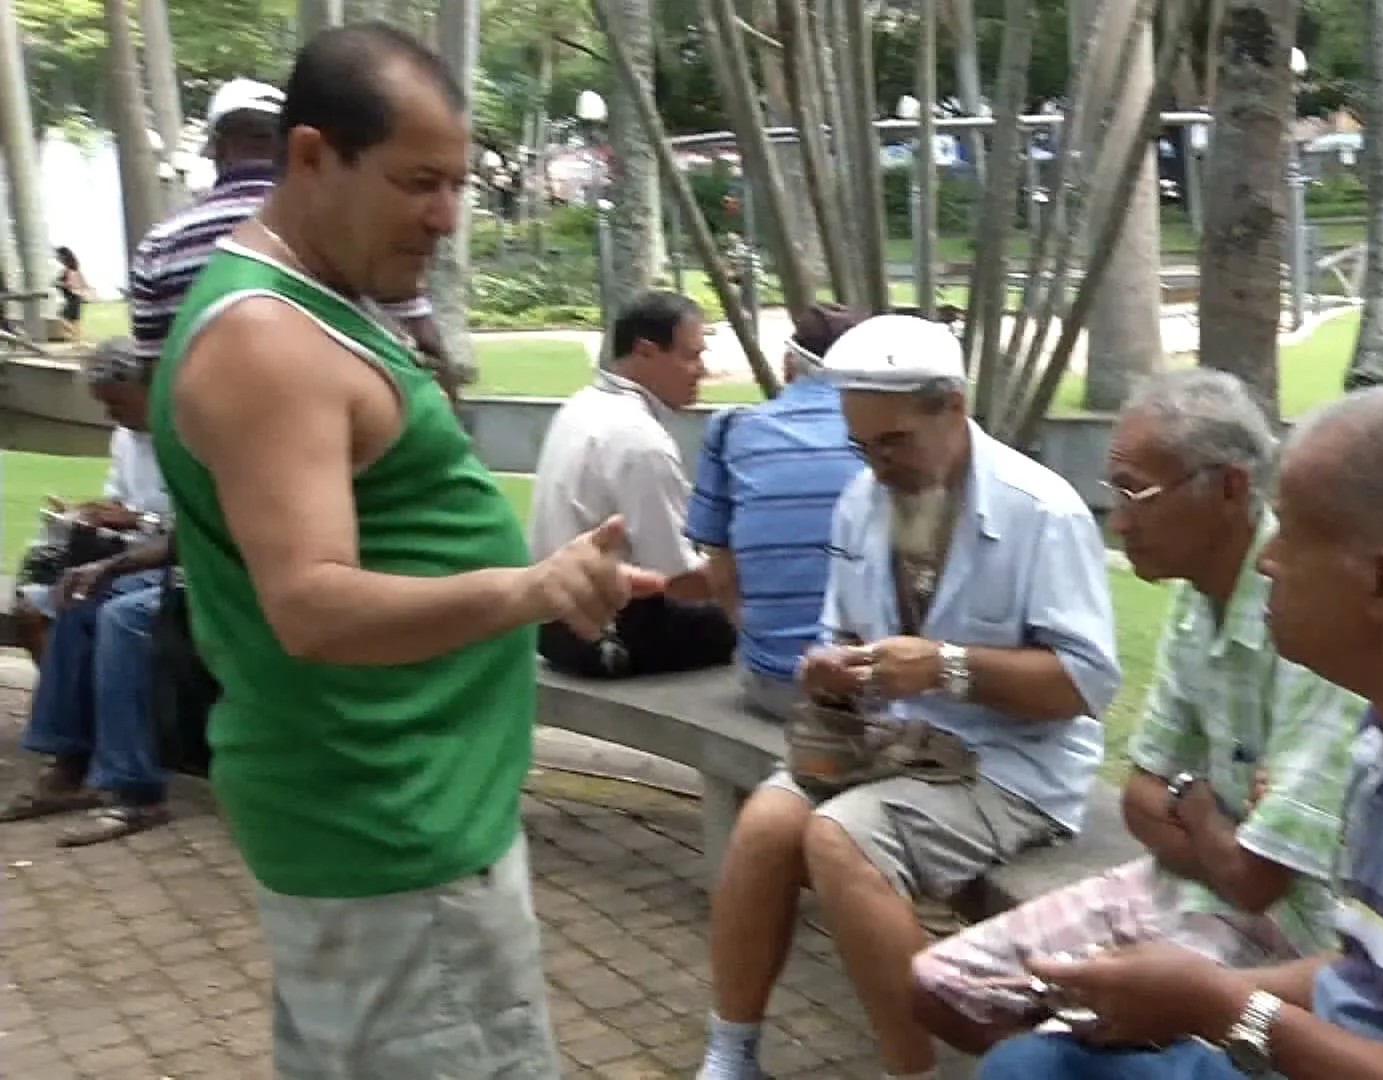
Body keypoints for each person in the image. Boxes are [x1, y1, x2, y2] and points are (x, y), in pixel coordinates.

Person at [144, 24, 664, 1077]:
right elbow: (312, 604)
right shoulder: (265, 340)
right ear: (310, 156)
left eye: (459, 183)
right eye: (416, 181)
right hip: (389, 836)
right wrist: (534, 586)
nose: (444, 216)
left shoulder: (318, 304)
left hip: (399, 823)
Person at [977, 386, 1383, 1080]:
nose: (1268, 561)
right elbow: (1378, 976)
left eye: (1289, 533)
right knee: (1031, 1067)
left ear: (1382, 581)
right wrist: (1196, 992)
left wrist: (1221, 1010)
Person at [697, 313, 1122, 1080]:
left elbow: (1084, 685)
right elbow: (843, 630)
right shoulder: (863, 500)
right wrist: (831, 668)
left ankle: (913, 1073)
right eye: (861, 446)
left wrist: (946, 667)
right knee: (764, 825)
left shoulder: (1041, 511)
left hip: (1010, 763)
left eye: (893, 443)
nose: (876, 466)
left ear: (954, 407)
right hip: (897, 745)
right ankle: (731, 1055)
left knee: (838, 838)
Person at [909, 369, 1366, 1055]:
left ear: (1231, 488)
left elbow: (1259, 881)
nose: (1118, 521)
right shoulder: (1192, 601)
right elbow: (1140, 796)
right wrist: (1204, 811)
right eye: (1113, 492)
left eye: (1135, 493)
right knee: (941, 983)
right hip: (1176, 884)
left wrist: (1194, 809)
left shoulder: (1308, 615)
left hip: (1288, 932)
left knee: (1052, 1052)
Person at [125, 77, 453, 393]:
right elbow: (426, 348)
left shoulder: (160, 245)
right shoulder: (343, 229)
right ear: (292, 144)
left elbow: (155, 382)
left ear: (218, 148)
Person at [2, 337, 176, 844]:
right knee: (67, 599)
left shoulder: (186, 435)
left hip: (187, 566)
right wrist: (90, 512)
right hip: (133, 558)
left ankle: (137, 789)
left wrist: (137, 521)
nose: (112, 415)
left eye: (117, 402)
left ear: (147, 388)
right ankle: (71, 763)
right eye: (103, 405)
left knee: (120, 618)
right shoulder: (127, 438)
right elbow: (122, 504)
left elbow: (200, 528)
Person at [527, 289, 737, 677]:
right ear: (644, 352)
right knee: (764, 621)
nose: (702, 371)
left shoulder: (581, 404)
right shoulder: (639, 439)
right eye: (691, 356)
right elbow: (679, 577)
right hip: (605, 634)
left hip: (550, 623)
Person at [683, 301, 870, 718]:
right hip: (879, 689)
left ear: (788, 364)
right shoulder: (886, 437)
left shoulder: (733, 428)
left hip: (775, 684)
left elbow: (720, 570)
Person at [50, 246, 89, 341]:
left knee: (60, 318)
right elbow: (83, 283)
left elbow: (70, 285)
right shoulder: (75, 269)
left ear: (64, 257)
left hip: (72, 299)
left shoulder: (69, 270)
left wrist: (58, 283)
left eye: (59, 256)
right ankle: (79, 342)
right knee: (76, 323)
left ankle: (78, 337)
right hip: (76, 298)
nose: (57, 258)